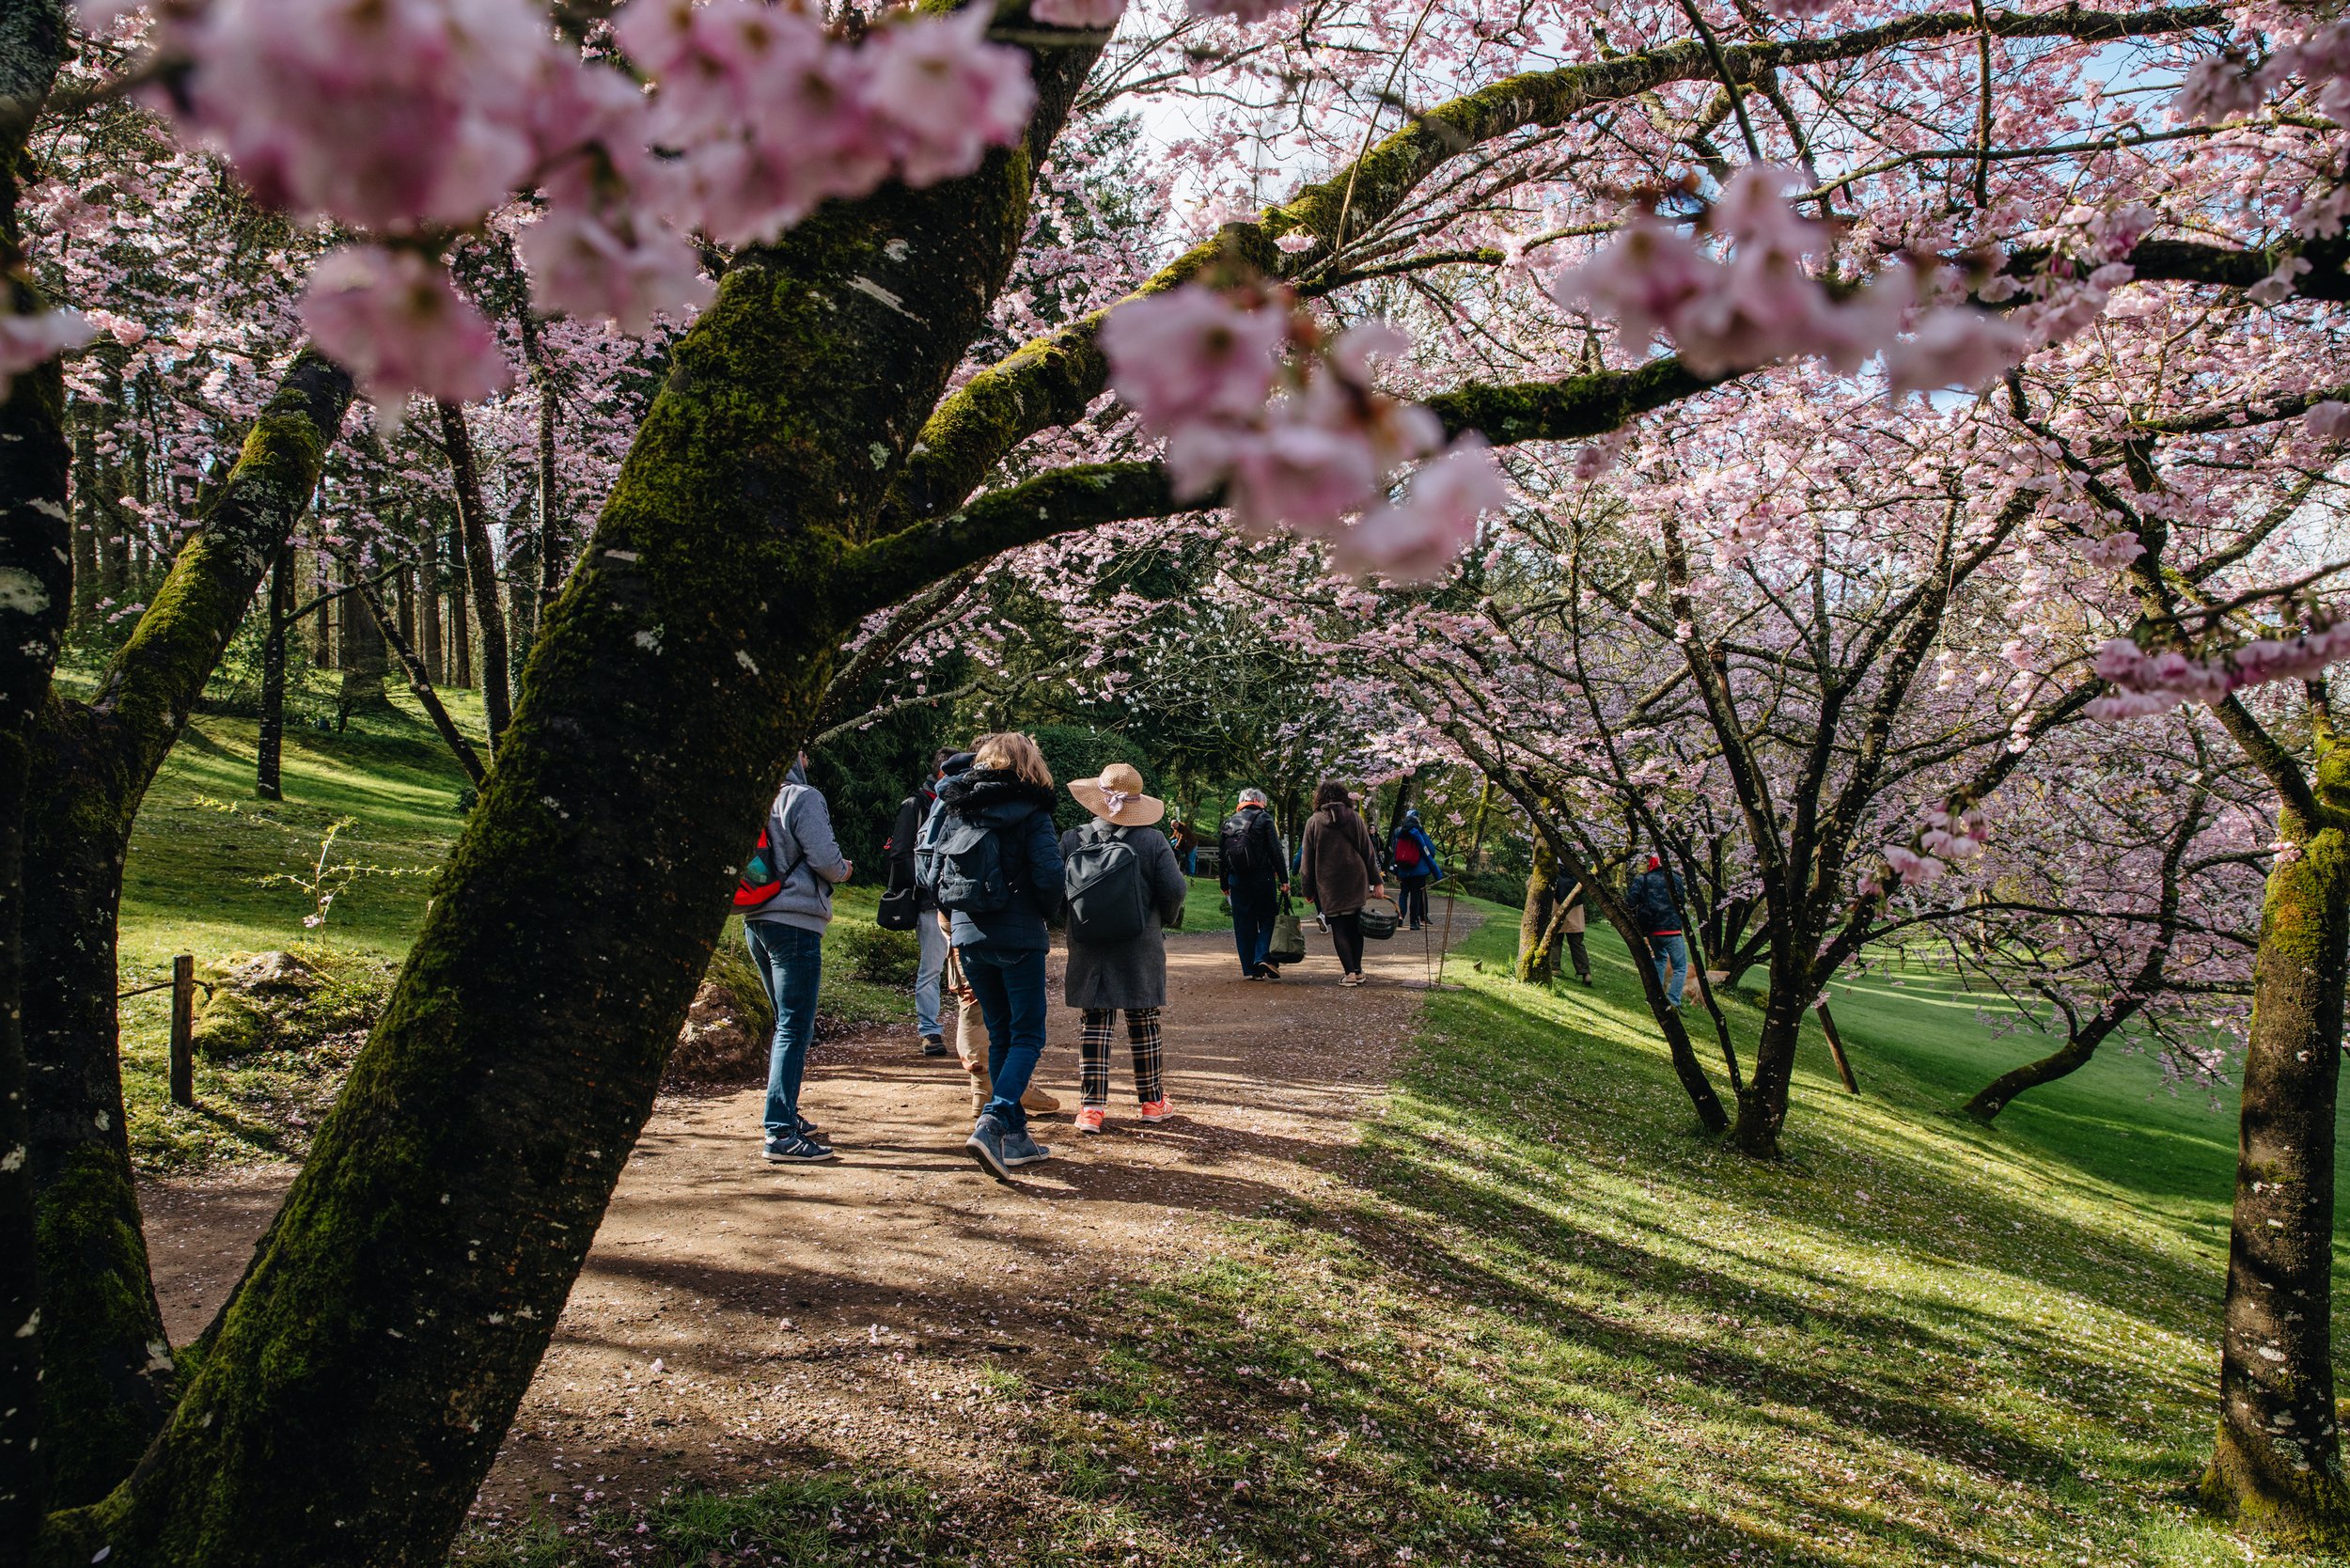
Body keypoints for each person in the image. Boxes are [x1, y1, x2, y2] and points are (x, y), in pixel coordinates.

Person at [922, 731, 1064, 1180]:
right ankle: (995, 1119)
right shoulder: (1034, 812)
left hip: (969, 935)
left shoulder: (957, 807)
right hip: (1018, 936)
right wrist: (1051, 915)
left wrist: (955, 920)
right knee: (1027, 1035)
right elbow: (1048, 876)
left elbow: (934, 873)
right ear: (1029, 764)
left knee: (1001, 1032)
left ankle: (1015, 1137)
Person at [1059, 761, 1187, 1133]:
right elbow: (1175, 890)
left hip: (1088, 943)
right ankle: (1151, 1102)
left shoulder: (1073, 839)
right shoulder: (1152, 840)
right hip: (1139, 942)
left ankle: (1091, 1109)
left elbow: (1058, 891)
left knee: (1095, 1023)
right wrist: (1161, 919)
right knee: (1143, 1021)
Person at [744, 751, 852, 1164]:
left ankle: (785, 1111)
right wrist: (845, 871)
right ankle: (780, 1132)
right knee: (794, 1028)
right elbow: (825, 860)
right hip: (795, 923)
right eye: (803, 751)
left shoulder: (756, 796)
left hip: (756, 919)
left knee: (785, 1025)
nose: (809, 757)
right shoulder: (802, 797)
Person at [891, 749, 958, 1058]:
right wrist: (928, 885)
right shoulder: (916, 805)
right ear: (943, 772)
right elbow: (901, 854)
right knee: (932, 968)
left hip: (957, 900)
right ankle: (929, 1030)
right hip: (929, 901)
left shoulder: (958, 799)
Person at [1299, 780, 1382, 987]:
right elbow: (1367, 852)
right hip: (1355, 879)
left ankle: (1349, 973)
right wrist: (1376, 881)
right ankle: (1358, 970)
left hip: (1329, 883)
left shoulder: (1314, 822)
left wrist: (1307, 890)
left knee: (1339, 928)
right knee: (1356, 927)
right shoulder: (1354, 818)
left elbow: (1307, 861)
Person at [1217, 788, 1290, 980]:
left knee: (1243, 922)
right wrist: (1284, 879)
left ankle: (1251, 969)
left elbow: (1222, 856)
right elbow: (1275, 850)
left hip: (1237, 879)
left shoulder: (1230, 821)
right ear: (1259, 801)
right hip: (1262, 877)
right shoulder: (1264, 819)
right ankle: (1263, 957)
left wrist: (1224, 883)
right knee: (1268, 917)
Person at [1624, 853, 1688, 1007]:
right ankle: (1673, 999)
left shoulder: (1643, 879)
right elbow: (1682, 901)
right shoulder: (1676, 879)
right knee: (1680, 967)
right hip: (1672, 930)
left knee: (1659, 960)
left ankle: (1655, 996)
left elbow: (1631, 901)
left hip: (1652, 929)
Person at [1389, 808, 1443, 930]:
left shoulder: (1399, 834)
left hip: (1403, 870)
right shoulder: (1420, 832)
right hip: (1419, 871)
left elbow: (1395, 851)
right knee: (1415, 895)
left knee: (1403, 893)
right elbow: (1431, 851)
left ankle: (1400, 916)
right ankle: (1414, 922)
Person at [1559, 879, 1594, 985]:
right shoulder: (1576, 874)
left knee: (1556, 940)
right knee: (1577, 944)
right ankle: (1585, 973)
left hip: (1557, 907)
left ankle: (1554, 968)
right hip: (1576, 910)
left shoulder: (1554, 871)